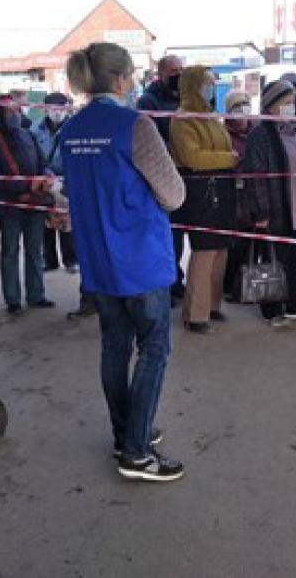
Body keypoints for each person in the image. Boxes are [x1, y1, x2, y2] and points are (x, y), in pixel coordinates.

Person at [60, 41, 186, 482]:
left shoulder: (71, 130)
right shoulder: (136, 125)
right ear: (119, 78)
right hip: (141, 258)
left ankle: (127, 434)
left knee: (115, 347)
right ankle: (135, 452)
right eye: (131, 75)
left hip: (99, 260)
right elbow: (173, 195)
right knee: (154, 349)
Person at [241, 80, 296, 327]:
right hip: (276, 208)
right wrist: (261, 211)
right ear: (271, 106)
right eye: (286, 102)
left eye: (292, 102)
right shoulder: (260, 135)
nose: (291, 107)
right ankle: (272, 306)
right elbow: (256, 176)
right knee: (275, 260)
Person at [170, 66, 238, 334]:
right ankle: (195, 315)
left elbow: (222, 147)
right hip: (200, 191)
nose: (210, 89)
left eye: (212, 84)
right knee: (205, 251)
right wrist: (227, 159)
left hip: (222, 188)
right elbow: (192, 158)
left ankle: (212, 305)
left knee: (220, 250)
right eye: (205, 84)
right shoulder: (182, 118)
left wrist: (225, 158)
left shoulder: (210, 116)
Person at [0, 102, 55, 314]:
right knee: (10, 251)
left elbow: (42, 163)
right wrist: (25, 185)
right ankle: (12, 299)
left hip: (34, 203)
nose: (16, 114)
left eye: (16, 110)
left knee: (34, 250)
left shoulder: (28, 136)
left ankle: (36, 295)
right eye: (10, 111)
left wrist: (46, 176)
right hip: (9, 207)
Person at [138, 55, 186, 302]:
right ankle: (168, 283)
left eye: (181, 69)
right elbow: (151, 141)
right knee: (168, 235)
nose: (178, 74)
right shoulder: (149, 100)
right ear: (161, 73)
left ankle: (177, 281)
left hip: (185, 173)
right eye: (173, 71)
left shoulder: (185, 97)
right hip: (162, 174)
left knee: (180, 234)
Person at [30, 92, 77, 273]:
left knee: (67, 223)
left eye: (61, 108)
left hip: (67, 180)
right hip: (45, 181)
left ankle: (71, 260)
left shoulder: (74, 127)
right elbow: (33, 155)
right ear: (45, 109)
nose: (57, 112)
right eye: (53, 109)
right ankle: (50, 260)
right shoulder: (36, 130)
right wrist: (44, 173)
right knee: (46, 222)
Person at [221, 90, 253, 299]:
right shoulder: (223, 134)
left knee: (251, 244)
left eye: (245, 104)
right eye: (237, 106)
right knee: (234, 243)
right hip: (232, 194)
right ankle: (229, 285)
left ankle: (247, 284)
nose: (242, 110)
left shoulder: (257, 130)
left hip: (254, 194)